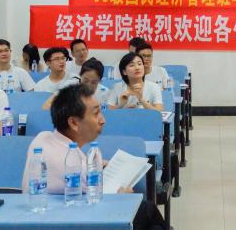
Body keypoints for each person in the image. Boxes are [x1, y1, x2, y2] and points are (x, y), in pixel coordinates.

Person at [22, 83, 165, 230]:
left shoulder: (42, 137)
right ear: (74, 122)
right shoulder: (74, 168)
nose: (103, 120)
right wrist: (123, 198)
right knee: (146, 210)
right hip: (76, 222)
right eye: (96, 113)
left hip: (48, 218)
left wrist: (98, 164)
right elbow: (98, 199)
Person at [42, 58, 111, 109]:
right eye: (85, 80)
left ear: (100, 80)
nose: (88, 85)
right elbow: (47, 105)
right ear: (80, 75)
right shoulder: (69, 86)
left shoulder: (104, 92)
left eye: (94, 82)